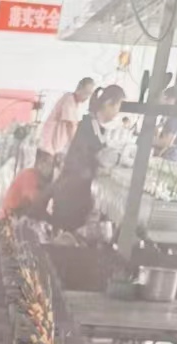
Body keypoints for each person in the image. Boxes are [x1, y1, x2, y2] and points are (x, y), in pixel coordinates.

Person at [48, 84, 125, 235]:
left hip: (73, 191)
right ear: (108, 103)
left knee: (67, 237)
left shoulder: (93, 124)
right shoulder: (89, 126)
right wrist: (121, 158)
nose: (117, 113)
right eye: (118, 107)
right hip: (71, 194)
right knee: (65, 239)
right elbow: (101, 156)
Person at [40, 76, 95, 160]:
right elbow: (71, 126)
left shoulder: (74, 103)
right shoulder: (69, 100)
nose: (87, 97)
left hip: (53, 148)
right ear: (79, 89)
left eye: (89, 94)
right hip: (48, 148)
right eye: (86, 93)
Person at [0, 150, 56, 218]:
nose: (52, 168)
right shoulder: (30, 175)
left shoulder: (42, 179)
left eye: (53, 165)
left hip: (20, 215)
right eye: (49, 164)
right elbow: (36, 201)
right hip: (10, 217)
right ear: (40, 164)